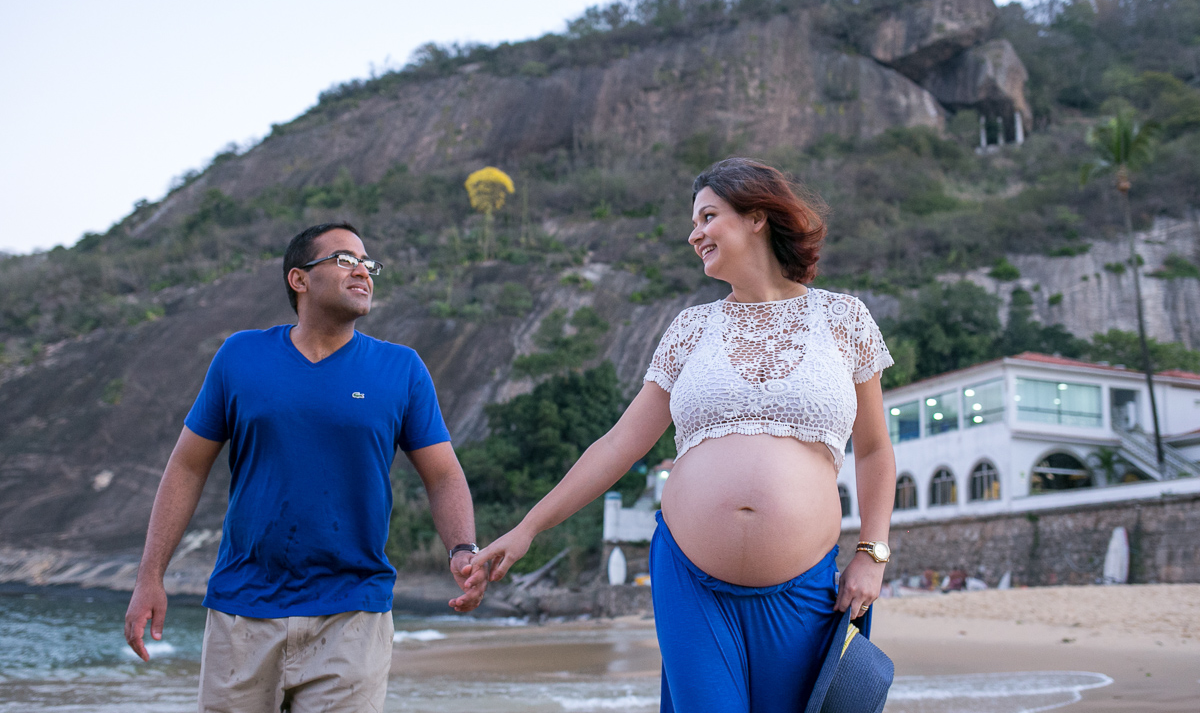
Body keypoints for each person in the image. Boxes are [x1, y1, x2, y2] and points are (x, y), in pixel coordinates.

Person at [464, 158, 896, 712]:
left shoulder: (844, 318)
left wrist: (872, 553)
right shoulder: (690, 329)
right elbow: (619, 444)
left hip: (806, 585)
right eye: (693, 223)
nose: (694, 235)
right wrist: (528, 528)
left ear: (757, 216)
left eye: (708, 216)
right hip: (690, 580)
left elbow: (874, 450)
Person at [124, 222, 486, 712]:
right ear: (299, 279)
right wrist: (150, 576)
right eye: (345, 259)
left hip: (352, 613)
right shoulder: (240, 356)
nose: (362, 271)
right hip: (242, 611)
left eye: (367, 263)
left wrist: (462, 549)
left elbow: (443, 475)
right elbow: (187, 468)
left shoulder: (401, 369)